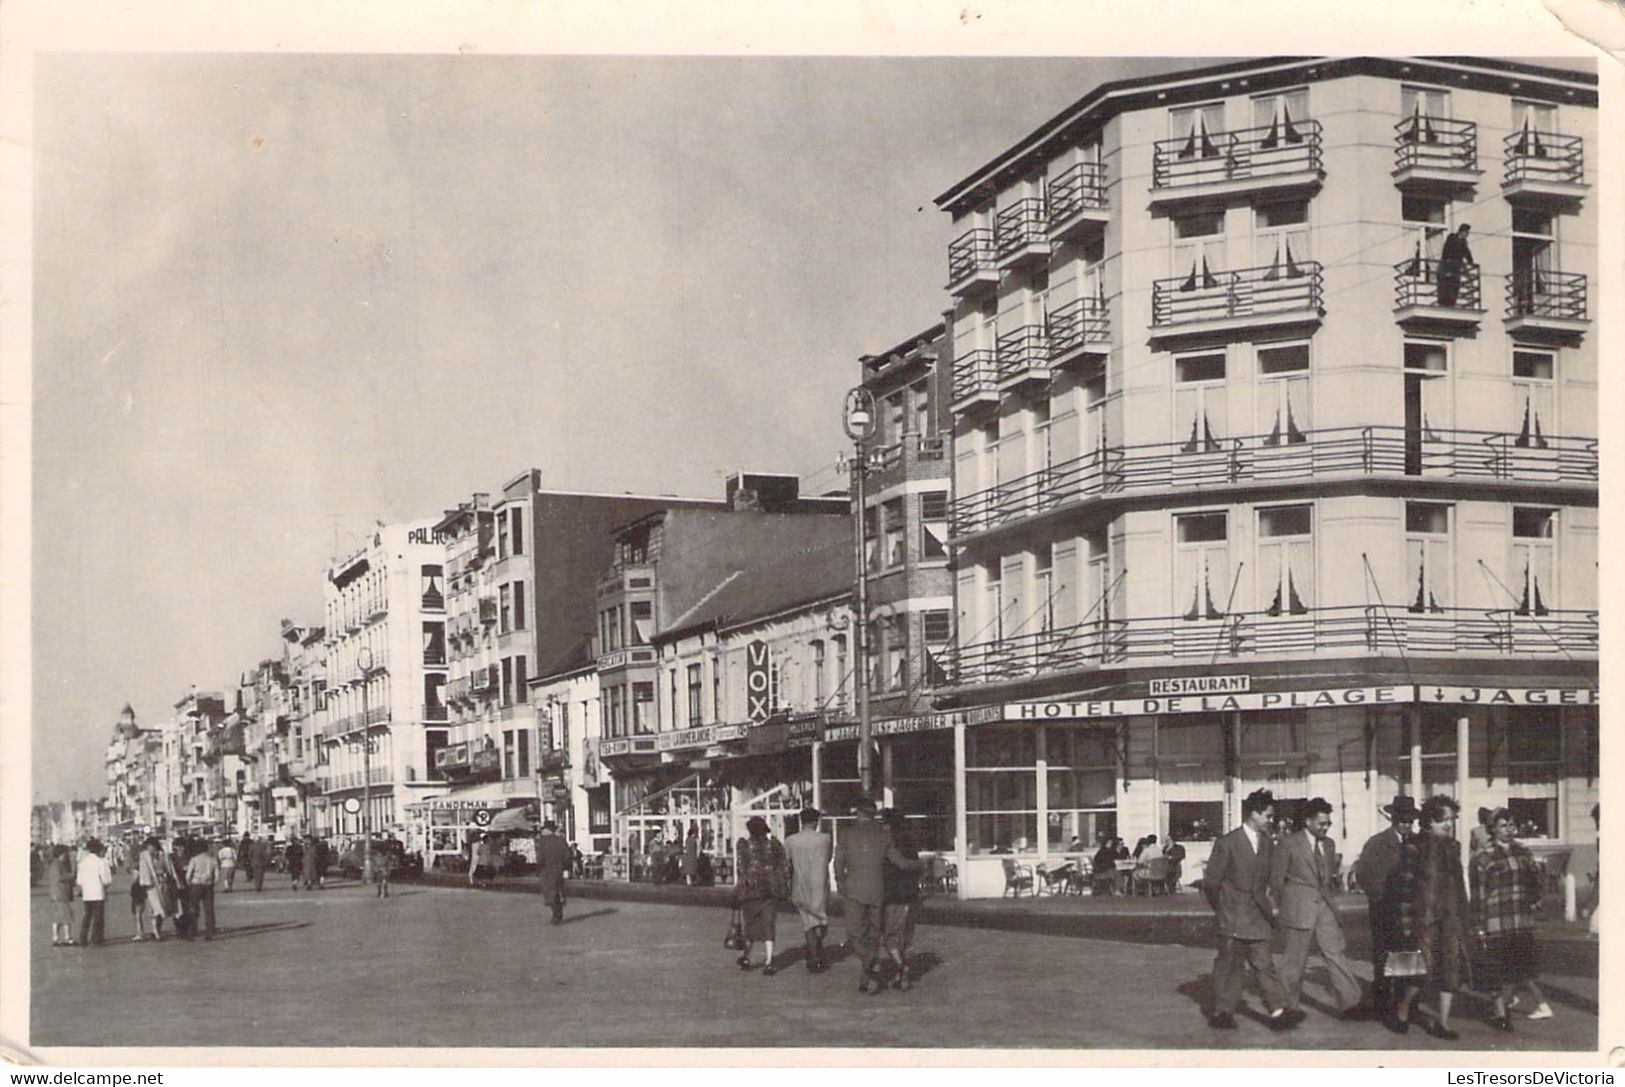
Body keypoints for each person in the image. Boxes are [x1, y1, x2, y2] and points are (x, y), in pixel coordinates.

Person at [1203, 789, 1294, 1031]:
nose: (1271, 820)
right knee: (1230, 966)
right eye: (1267, 815)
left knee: (1264, 964)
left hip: (1258, 915)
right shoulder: (1228, 843)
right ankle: (1223, 1012)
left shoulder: (1267, 843)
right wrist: (1223, 908)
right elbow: (1211, 883)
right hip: (1232, 916)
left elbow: (1269, 879)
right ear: (1253, 813)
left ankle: (1277, 1011)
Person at [1269, 797, 1364, 1019]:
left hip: (1325, 907)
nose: (1325, 827)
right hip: (1298, 909)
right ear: (1308, 821)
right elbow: (1276, 881)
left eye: (1328, 823)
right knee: (1294, 961)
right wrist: (1286, 907)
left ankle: (1351, 1003)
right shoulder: (1288, 843)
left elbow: (1326, 879)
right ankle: (1288, 1006)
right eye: (1322, 823)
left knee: (1335, 953)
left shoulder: (1329, 845)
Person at [1391, 795, 1469, 1040]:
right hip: (1422, 919)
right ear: (1428, 822)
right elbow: (1404, 888)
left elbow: (1459, 885)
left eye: (1451, 820)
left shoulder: (1454, 846)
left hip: (1451, 918)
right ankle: (1403, 1009)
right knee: (1420, 971)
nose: (1448, 825)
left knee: (1450, 969)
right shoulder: (1414, 846)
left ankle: (1443, 1023)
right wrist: (1404, 925)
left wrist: (1465, 916)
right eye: (1442, 820)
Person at [1473, 807, 1554, 1030]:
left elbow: (1537, 878)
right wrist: (1479, 924)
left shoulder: (1523, 851)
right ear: (1492, 829)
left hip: (1521, 920)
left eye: (1511, 824)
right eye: (1503, 825)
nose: (1508, 829)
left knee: (1519, 967)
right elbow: (1479, 893)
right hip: (1496, 920)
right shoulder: (1483, 857)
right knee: (1498, 969)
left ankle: (1502, 1007)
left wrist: (1536, 898)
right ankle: (1501, 1013)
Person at [834, 796, 919, 994]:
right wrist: (919, 865)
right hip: (877, 891)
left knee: (856, 933)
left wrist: (840, 883)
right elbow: (899, 862)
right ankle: (869, 971)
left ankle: (869, 966)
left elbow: (839, 863)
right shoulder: (883, 835)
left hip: (853, 891)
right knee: (873, 933)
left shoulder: (846, 834)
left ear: (859, 813)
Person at [1353, 793, 1420, 1020]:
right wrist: (1379, 896)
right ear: (1393, 819)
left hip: (1410, 911)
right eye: (1403, 820)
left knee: (1407, 957)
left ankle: (1406, 1006)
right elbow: (1363, 873)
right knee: (1383, 958)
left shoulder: (1417, 843)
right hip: (1384, 910)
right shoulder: (1377, 843)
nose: (1407, 825)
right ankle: (1382, 1007)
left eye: (1410, 821)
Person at [732, 816, 788, 975]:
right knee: (768, 925)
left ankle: (746, 956)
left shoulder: (744, 846)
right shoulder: (774, 845)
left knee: (750, 925)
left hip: (750, 891)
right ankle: (769, 961)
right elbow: (783, 867)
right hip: (770, 891)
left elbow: (741, 869)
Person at [784, 806, 833, 973]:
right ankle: (816, 952)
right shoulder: (826, 839)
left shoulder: (791, 840)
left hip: (800, 882)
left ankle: (814, 954)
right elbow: (828, 858)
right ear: (816, 822)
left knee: (808, 922)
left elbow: (787, 862)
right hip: (820, 882)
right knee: (820, 919)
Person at [880, 810, 922, 992]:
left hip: (893, 895)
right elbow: (915, 867)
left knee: (890, 938)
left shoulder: (888, 844)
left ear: (889, 825)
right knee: (905, 937)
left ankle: (901, 967)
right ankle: (901, 975)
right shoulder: (910, 843)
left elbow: (899, 864)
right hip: (911, 895)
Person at [136, 836, 176, 941]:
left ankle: (158, 929)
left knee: (162, 907)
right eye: (148, 846)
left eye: (151, 846)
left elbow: (168, 868)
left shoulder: (162, 855)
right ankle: (155, 931)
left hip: (163, 883)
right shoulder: (144, 856)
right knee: (154, 907)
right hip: (151, 885)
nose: (149, 848)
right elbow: (143, 871)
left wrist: (168, 877)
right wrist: (145, 883)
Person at [75, 838, 112, 948]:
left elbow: (79, 881)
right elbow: (106, 880)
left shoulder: (83, 862)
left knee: (87, 915)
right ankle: (96, 939)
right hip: (98, 893)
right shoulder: (101, 862)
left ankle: (83, 938)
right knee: (98, 917)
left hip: (87, 894)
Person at [184, 837, 220, 940]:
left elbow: (188, 875)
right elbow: (217, 876)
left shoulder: (194, 859)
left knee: (194, 909)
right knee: (209, 909)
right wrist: (213, 883)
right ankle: (209, 932)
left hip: (196, 885)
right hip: (208, 885)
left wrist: (189, 883)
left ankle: (192, 932)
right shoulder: (213, 859)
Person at [536, 821, 571, 924]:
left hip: (546, 871)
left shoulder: (542, 841)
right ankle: (558, 912)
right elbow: (567, 855)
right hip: (559, 870)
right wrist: (565, 868)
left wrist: (538, 869)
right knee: (557, 891)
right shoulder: (561, 840)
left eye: (543, 829)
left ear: (547, 830)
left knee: (549, 893)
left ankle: (556, 914)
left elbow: (540, 857)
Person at [1436, 224, 1475, 307]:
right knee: (1446, 285)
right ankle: (1444, 303)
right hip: (1448, 265)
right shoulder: (1452, 238)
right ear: (1462, 231)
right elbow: (1446, 250)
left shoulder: (1463, 242)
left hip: (1456, 267)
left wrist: (1471, 262)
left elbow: (1467, 253)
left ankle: (1452, 303)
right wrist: (1448, 263)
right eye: (1466, 232)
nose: (1467, 234)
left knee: (1455, 284)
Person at [46, 845, 77, 947]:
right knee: (67, 915)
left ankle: (56, 938)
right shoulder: (57, 864)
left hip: (56, 893)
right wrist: (71, 876)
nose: (66, 856)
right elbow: (60, 878)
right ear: (61, 854)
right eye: (65, 853)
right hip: (60, 893)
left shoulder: (55, 863)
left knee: (58, 917)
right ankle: (68, 938)